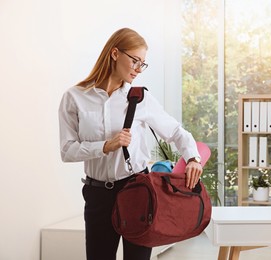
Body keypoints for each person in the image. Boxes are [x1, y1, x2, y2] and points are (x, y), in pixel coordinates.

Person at [58, 28, 203, 260]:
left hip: (137, 191)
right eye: (135, 60)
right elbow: (67, 151)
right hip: (97, 196)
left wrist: (193, 158)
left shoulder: (140, 98)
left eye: (142, 64)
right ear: (115, 53)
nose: (138, 69)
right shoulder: (74, 97)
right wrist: (106, 146)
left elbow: (175, 131)